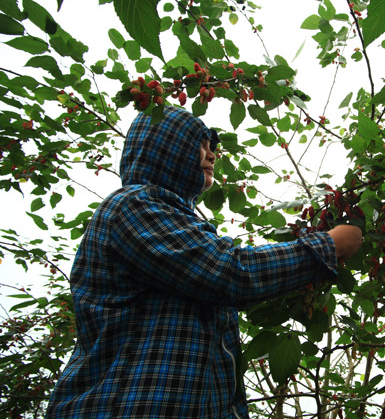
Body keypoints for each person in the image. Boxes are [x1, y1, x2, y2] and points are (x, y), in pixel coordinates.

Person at [46, 106, 363, 418]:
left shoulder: (179, 223)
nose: (211, 155)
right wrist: (328, 246)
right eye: (199, 144)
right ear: (165, 145)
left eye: (212, 148)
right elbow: (228, 273)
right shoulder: (133, 205)